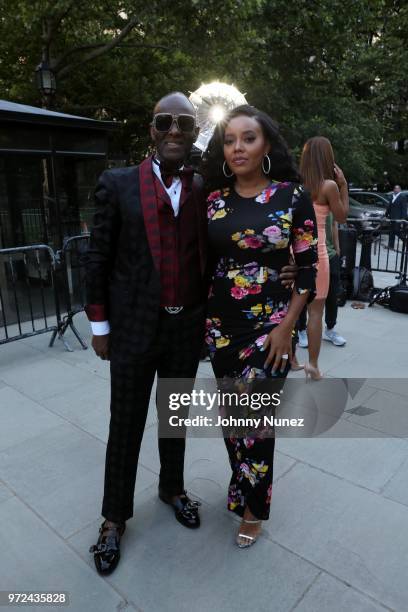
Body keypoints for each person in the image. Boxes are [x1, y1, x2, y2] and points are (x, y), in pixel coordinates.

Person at [84, 92, 298, 574]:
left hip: (188, 326)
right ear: (152, 130)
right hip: (135, 328)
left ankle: (172, 488)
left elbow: (244, 236)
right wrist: (100, 325)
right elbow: (96, 256)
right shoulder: (117, 184)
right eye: (165, 123)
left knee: (173, 416)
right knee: (126, 423)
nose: (175, 131)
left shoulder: (206, 189)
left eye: (184, 122)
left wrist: (286, 267)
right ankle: (113, 518)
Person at [201, 105, 318, 548]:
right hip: (221, 327)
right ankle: (242, 485)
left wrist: (288, 327)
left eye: (247, 138)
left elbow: (307, 269)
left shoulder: (292, 196)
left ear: (266, 144)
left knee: (255, 420)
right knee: (234, 420)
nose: (237, 148)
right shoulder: (213, 199)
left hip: (271, 327)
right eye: (230, 140)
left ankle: (253, 508)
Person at [299, 137, 349, 380]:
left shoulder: (295, 184)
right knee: (315, 312)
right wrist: (344, 185)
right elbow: (341, 217)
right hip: (317, 253)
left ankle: (291, 358)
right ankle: (313, 365)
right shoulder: (328, 185)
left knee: (289, 309)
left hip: (293, 252)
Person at [297, 212, 346, 351]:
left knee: (332, 295)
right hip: (307, 255)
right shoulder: (304, 197)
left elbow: (335, 223)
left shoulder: (329, 197)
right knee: (304, 294)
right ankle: (301, 330)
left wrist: (337, 249)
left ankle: (330, 329)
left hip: (329, 255)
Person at [386, 185, 408, 250]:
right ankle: (390, 246)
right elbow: (389, 207)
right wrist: (386, 215)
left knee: (396, 231)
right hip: (392, 217)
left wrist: (403, 219)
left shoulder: (402, 197)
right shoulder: (392, 197)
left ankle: (406, 240)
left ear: (400, 190)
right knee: (391, 231)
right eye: (395, 188)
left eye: (397, 188)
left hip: (398, 218)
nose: (395, 190)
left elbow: (404, 209)